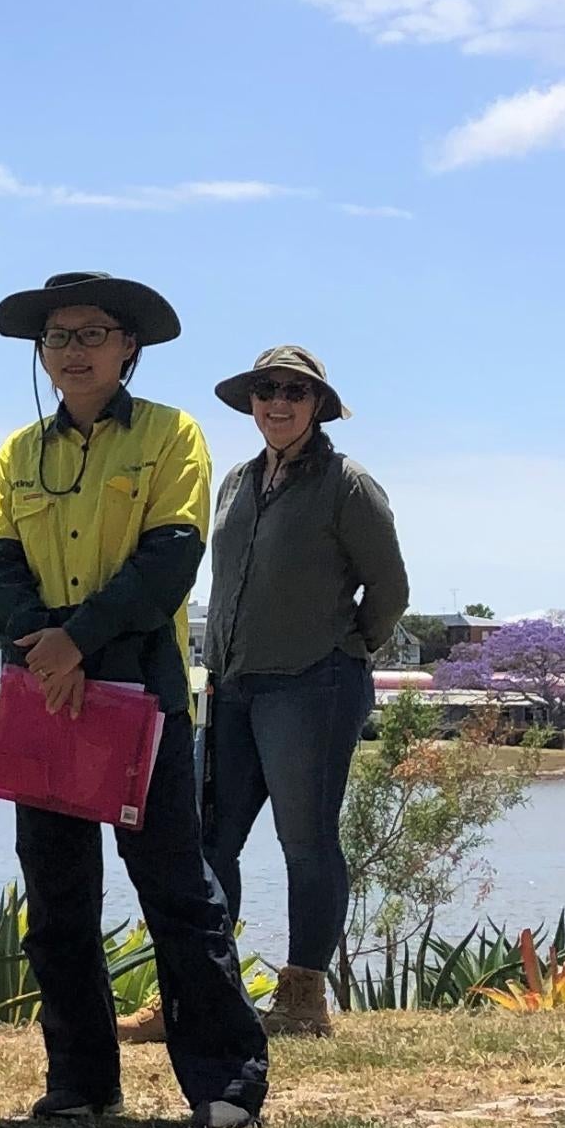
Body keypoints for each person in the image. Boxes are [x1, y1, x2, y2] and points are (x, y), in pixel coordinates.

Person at [0, 271, 268, 1128]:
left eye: (93, 333)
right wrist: (47, 647)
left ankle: (225, 1084)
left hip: (141, 694)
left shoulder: (172, 435)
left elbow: (170, 559)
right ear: (42, 353)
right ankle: (81, 1081)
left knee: (177, 890)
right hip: (47, 696)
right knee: (56, 899)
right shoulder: (16, 454)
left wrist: (76, 643)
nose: (74, 350)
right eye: (59, 336)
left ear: (128, 347)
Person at [200, 346, 407, 1040]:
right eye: (266, 390)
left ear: (318, 404)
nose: (278, 402)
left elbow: (390, 590)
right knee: (208, 841)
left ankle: (302, 1000)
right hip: (231, 685)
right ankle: (208, 992)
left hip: (313, 686)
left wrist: (343, 648)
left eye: (295, 391)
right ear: (251, 402)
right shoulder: (235, 482)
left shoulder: (349, 484)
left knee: (306, 841)